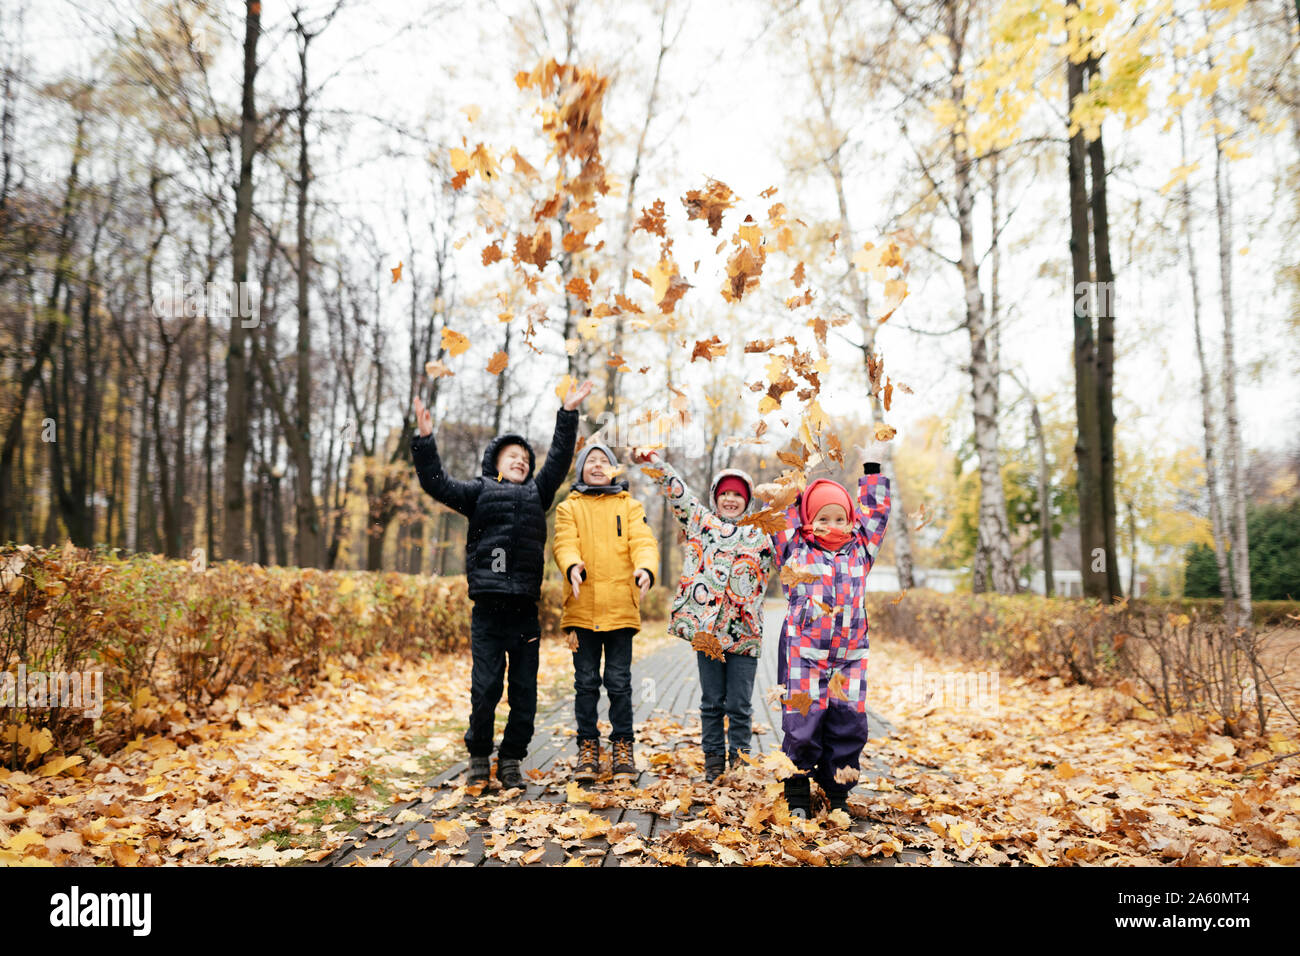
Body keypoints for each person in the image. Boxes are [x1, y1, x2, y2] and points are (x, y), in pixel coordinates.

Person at [409, 379, 593, 790]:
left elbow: (560, 459)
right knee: (486, 687)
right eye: (513, 456)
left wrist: (567, 413)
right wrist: (425, 440)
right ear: (496, 462)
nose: (522, 462)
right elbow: (436, 483)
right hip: (489, 611)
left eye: (526, 458)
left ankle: (510, 759)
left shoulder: (537, 494)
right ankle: (479, 755)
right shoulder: (478, 492)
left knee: (524, 694)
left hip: (525, 612)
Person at [631, 447, 776, 783]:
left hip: (744, 636)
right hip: (707, 633)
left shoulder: (761, 533)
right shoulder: (701, 523)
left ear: (748, 500)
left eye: (737, 495)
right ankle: (713, 761)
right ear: (715, 497)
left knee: (739, 705)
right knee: (712, 702)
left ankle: (739, 763)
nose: (730, 499)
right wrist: (656, 464)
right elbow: (678, 493)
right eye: (724, 493)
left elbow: (790, 521)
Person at [769, 443, 891, 818]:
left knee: (848, 723)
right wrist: (793, 477)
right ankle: (798, 792)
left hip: (850, 657)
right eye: (823, 518)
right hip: (804, 653)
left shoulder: (862, 549)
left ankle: (838, 791)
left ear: (851, 520)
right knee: (803, 725)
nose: (832, 525)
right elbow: (782, 512)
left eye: (840, 519)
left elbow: (875, 513)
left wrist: (872, 467)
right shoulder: (795, 549)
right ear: (807, 520)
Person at [552, 442, 659, 784]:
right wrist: (571, 565)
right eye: (590, 461)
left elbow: (643, 541)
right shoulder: (570, 507)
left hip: (620, 611)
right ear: (581, 468)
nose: (597, 466)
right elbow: (563, 542)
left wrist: (645, 568)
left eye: (604, 461)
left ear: (614, 469)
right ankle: (587, 747)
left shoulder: (630, 505)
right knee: (585, 684)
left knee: (619, 683)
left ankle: (623, 747)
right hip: (581, 611)